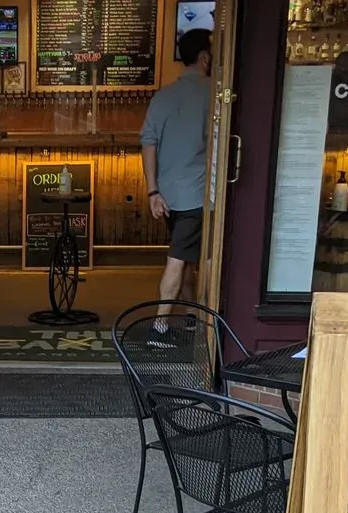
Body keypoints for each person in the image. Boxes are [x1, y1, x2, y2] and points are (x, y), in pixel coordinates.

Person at [140, 28, 211, 333]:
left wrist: (153, 191)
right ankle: (159, 326)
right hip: (197, 193)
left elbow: (148, 142)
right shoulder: (215, 94)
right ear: (205, 58)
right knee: (179, 257)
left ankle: (192, 314)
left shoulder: (163, 96)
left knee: (186, 255)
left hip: (167, 194)